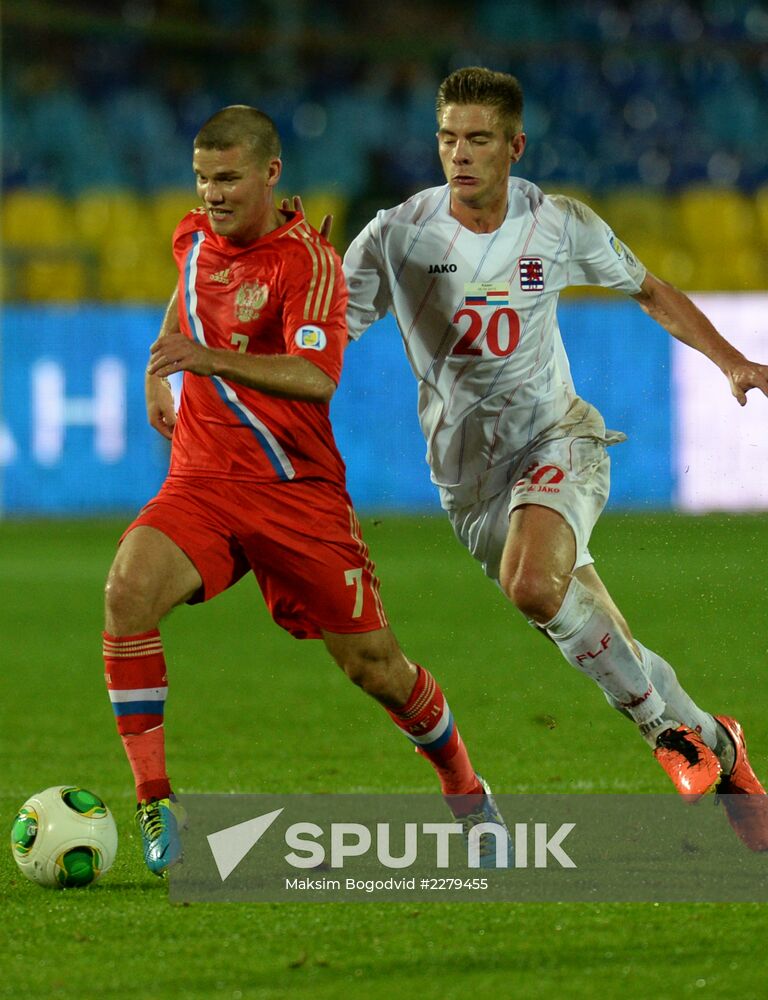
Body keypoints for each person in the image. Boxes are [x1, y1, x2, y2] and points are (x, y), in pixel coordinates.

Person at [341, 67, 768, 852]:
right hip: (470, 486)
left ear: (514, 146)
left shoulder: (556, 224)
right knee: (601, 633)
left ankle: (669, 733)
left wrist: (730, 361)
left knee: (533, 585)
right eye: (448, 137)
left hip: (558, 442)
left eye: (478, 138)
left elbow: (649, 289)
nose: (459, 153)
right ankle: (720, 745)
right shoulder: (397, 235)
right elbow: (325, 330)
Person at [103, 104, 511, 877]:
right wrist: (162, 368)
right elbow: (188, 284)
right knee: (126, 592)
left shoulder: (306, 265)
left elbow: (315, 378)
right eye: (201, 179)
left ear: (269, 174)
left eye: (227, 179)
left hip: (297, 495)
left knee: (375, 669)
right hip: (203, 480)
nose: (211, 194)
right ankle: (155, 796)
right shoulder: (191, 234)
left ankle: (465, 789)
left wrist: (208, 360)